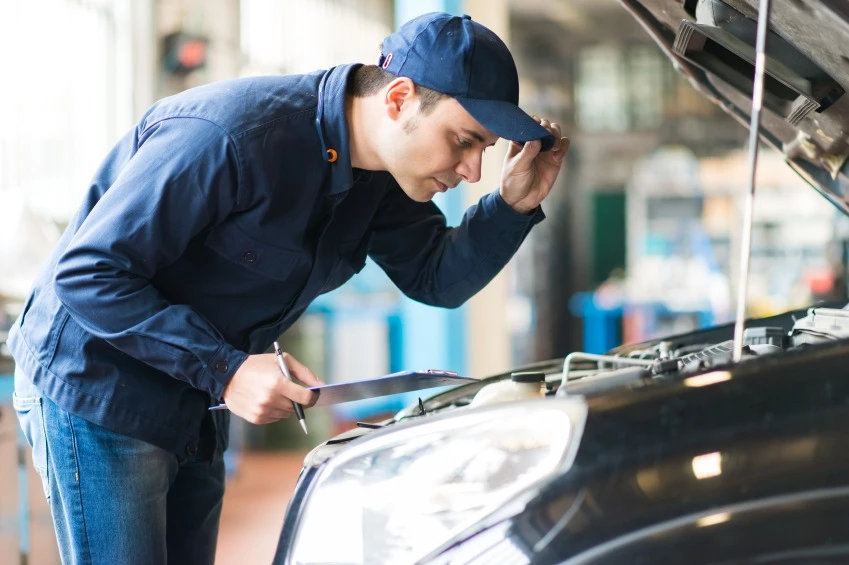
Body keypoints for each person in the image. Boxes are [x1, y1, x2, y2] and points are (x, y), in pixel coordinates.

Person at [9, 11, 569, 564]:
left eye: (484, 150)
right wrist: (226, 368)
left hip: (192, 392)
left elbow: (436, 278)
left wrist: (513, 206)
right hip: (99, 380)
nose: (473, 170)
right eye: (463, 141)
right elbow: (88, 272)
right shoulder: (231, 136)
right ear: (398, 100)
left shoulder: (383, 178)